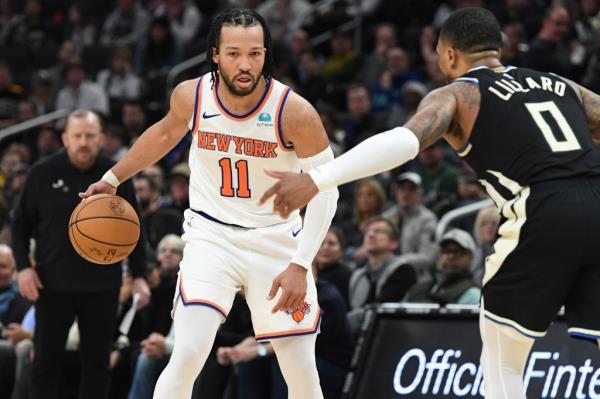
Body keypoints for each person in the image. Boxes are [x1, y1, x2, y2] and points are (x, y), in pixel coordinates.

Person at [261, 7, 600, 399]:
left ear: (450, 55)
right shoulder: (560, 84)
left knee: (503, 358)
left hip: (540, 208)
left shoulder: (458, 93)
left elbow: (406, 142)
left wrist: (317, 179)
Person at [80, 8, 338, 399]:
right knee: (186, 353)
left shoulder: (294, 111)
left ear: (266, 54)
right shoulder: (192, 95)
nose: (245, 64)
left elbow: (328, 189)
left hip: (276, 240)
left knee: (301, 370)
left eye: (254, 53)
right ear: (215, 54)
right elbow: (164, 134)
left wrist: (301, 265)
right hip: (211, 236)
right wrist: (113, 178)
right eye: (234, 53)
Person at [11, 109, 150, 399]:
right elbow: (20, 223)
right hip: (51, 284)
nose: (84, 142)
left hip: (102, 284)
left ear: (101, 138)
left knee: (97, 366)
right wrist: (23, 267)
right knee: (45, 363)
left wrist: (139, 276)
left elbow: (134, 227)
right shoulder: (42, 172)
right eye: (77, 136)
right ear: (65, 138)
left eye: (90, 135)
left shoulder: (117, 175)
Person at [403, 229, 481, 305]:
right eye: (446, 251)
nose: (450, 256)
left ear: (470, 256)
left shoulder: (473, 294)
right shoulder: (417, 289)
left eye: (457, 251)